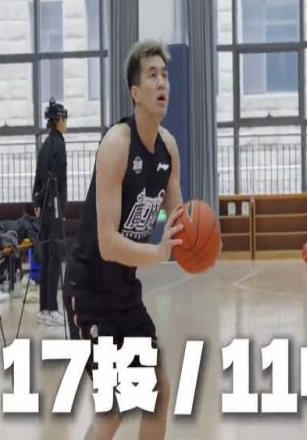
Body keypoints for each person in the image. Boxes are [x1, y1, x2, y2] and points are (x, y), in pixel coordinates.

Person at [63, 41, 184, 440]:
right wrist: (159, 252)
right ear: (135, 92)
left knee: (158, 393)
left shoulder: (168, 149)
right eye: (152, 75)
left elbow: (178, 221)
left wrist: (198, 239)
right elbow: (107, 243)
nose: (161, 82)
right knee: (113, 409)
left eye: (165, 75)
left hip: (124, 290)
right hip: (89, 291)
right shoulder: (116, 144)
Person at [32, 98, 68, 326]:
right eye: (65, 119)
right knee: (55, 256)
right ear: (59, 120)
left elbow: (38, 178)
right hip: (53, 206)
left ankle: (44, 308)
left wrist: (37, 201)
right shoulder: (58, 144)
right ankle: (52, 308)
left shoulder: (45, 145)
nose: (66, 123)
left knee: (47, 257)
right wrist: (57, 206)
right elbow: (55, 179)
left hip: (44, 208)